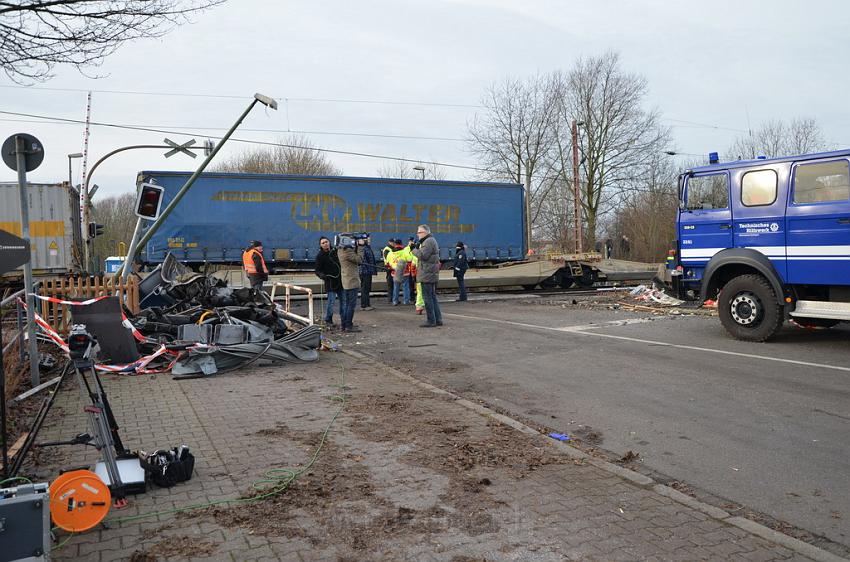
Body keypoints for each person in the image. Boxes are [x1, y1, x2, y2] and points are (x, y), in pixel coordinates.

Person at [412, 224, 442, 327]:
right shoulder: (430, 240)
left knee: (428, 298)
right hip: (430, 273)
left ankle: (431, 321)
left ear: (425, 232)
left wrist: (413, 249)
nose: (417, 234)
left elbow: (422, 256)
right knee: (432, 297)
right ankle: (438, 319)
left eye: (419, 232)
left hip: (427, 274)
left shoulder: (428, 241)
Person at [314, 236, 342, 327]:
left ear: (329, 242)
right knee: (331, 301)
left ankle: (344, 319)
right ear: (320, 245)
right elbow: (317, 270)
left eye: (326, 242)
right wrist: (323, 276)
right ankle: (328, 319)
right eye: (323, 243)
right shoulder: (320, 256)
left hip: (340, 281)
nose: (325, 244)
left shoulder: (335, 251)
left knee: (343, 301)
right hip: (330, 282)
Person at [338, 239, 363, 333]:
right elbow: (359, 260)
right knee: (350, 305)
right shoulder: (348, 252)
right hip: (351, 282)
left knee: (346, 304)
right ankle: (348, 326)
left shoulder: (340, 250)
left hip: (346, 280)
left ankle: (344, 325)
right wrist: (360, 247)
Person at [358, 236, 376, 310]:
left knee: (367, 288)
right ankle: (364, 305)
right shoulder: (363, 248)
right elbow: (362, 260)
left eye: (369, 239)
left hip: (368, 271)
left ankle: (367, 304)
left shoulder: (368, 247)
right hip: (364, 271)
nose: (369, 241)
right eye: (367, 239)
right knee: (365, 288)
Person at [382, 238, 395, 303]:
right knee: (390, 284)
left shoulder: (391, 248)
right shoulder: (387, 249)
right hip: (389, 268)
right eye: (392, 242)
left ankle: (392, 298)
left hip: (391, 268)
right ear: (389, 242)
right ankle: (390, 299)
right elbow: (388, 259)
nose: (393, 243)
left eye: (394, 242)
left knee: (392, 284)